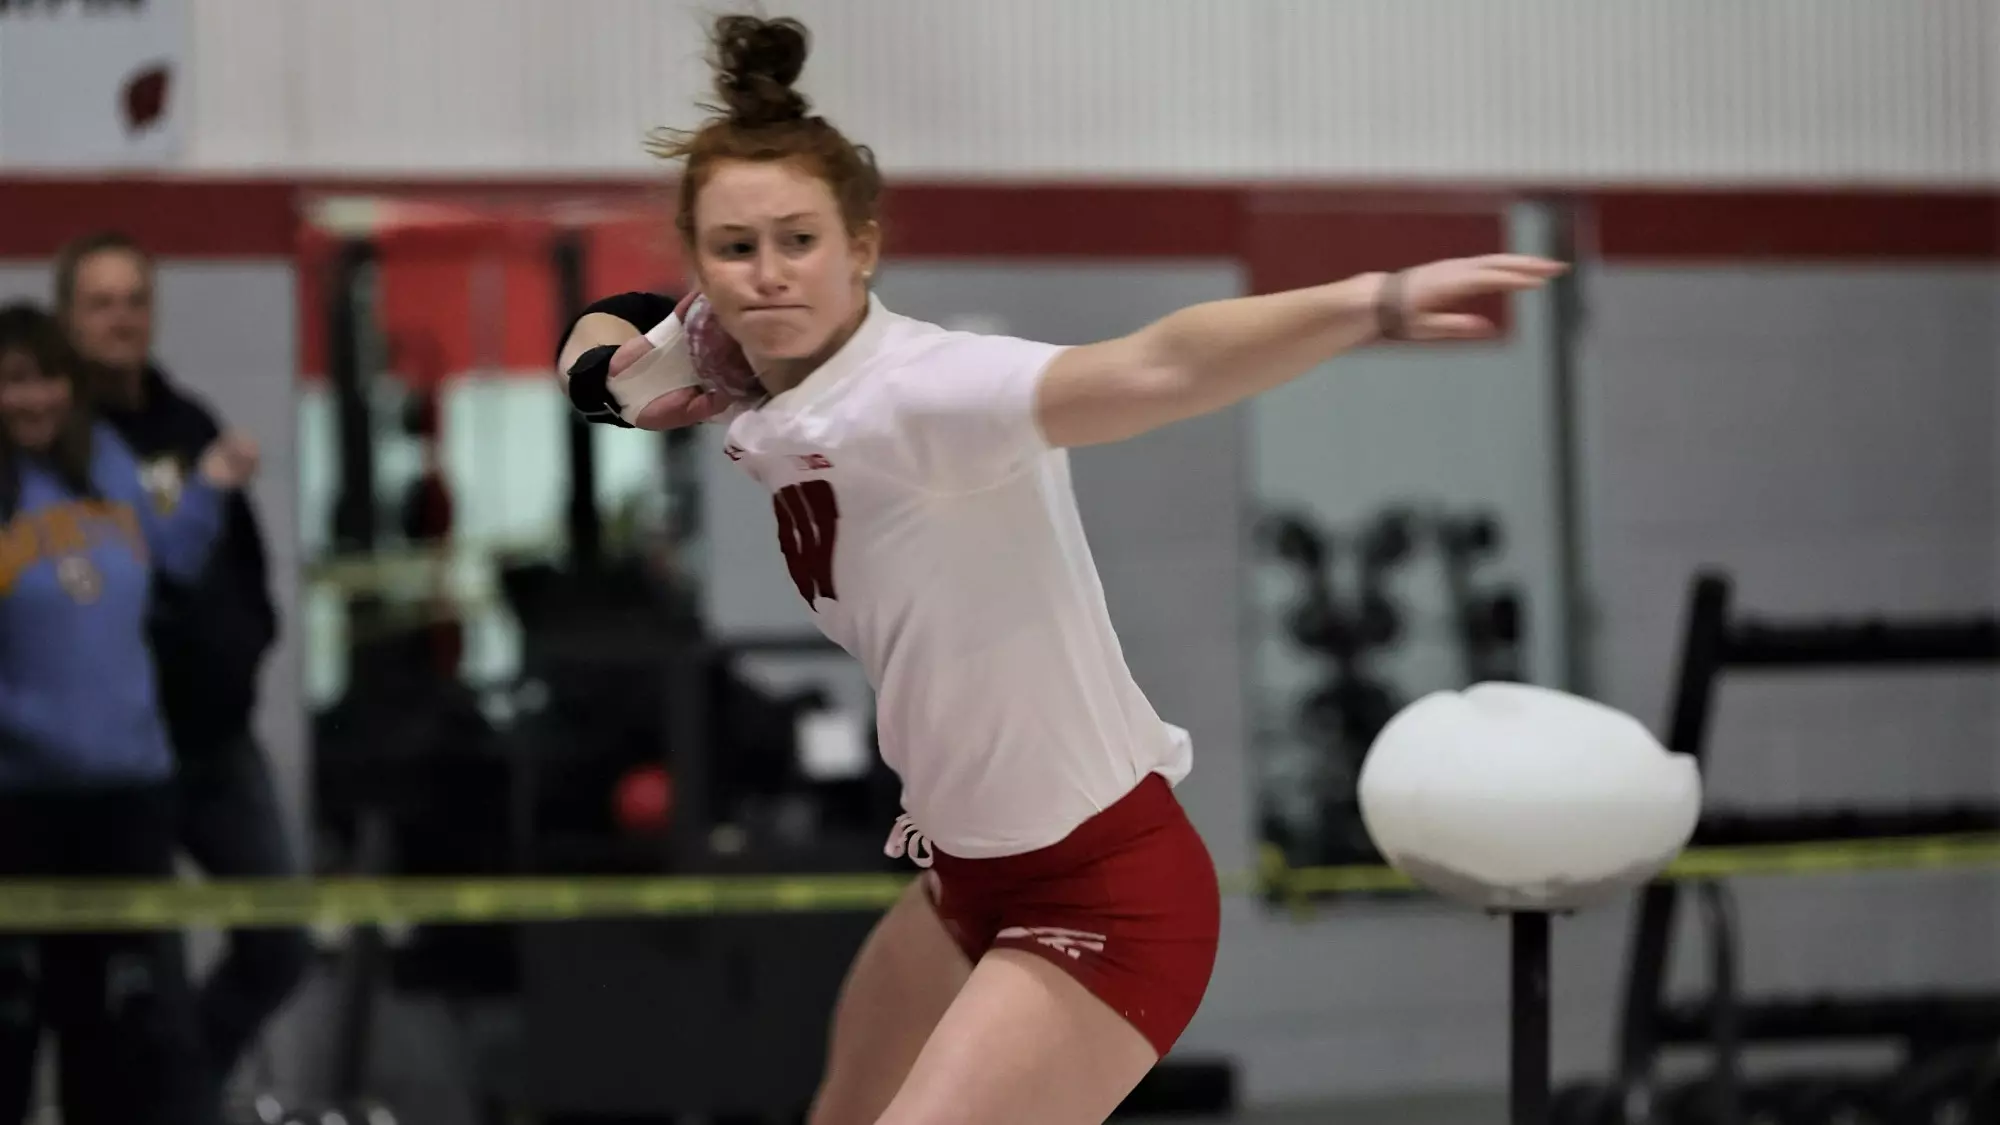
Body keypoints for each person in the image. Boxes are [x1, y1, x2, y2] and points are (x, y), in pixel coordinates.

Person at [555, 16, 1566, 1124]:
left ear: (864, 248)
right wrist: (609, 376)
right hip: (964, 880)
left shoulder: (926, 394)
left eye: (799, 241)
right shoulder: (742, 348)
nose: (768, 274)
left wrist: (1366, 304)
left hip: (1102, 898)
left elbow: (1156, 366)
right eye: (734, 248)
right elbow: (612, 346)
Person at [52, 230, 309, 1116]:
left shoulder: (188, 422)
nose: (122, 319)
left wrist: (246, 645)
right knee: (137, 988)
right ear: (68, 320)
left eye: (134, 300)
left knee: (280, 941)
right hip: (121, 760)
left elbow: (242, 565)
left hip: (218, 738)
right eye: (101, 303)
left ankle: (180, 1091)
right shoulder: (58, 447)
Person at [0, 301, 259, 1125]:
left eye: (47, 380)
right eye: (13, 383)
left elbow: (173, 551)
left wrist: (213, 484)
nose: (34, 399)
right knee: (9, 1030)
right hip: (20, 804)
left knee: (115, 1035)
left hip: (129, 797)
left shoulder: (109, 462)